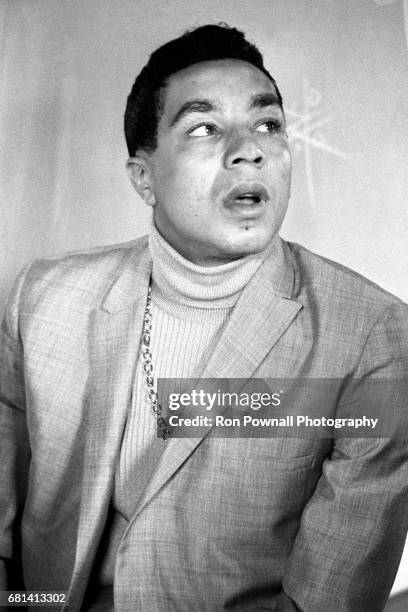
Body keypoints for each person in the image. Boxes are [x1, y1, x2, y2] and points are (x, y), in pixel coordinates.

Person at [0, 23, 407, 612]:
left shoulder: (373, 336)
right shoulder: (44, 298)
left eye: (267, 123)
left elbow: (327, 599)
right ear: (144, 177)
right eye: (205, 128)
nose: (250, 147)